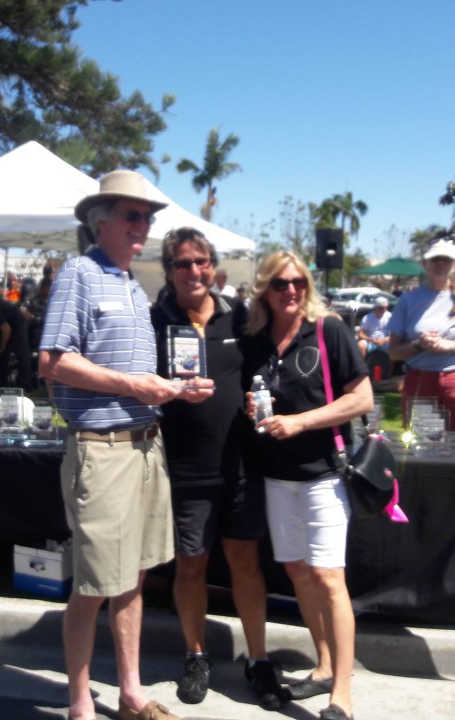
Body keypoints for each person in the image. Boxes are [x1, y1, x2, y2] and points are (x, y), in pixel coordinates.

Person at [38, 170, 213, 720]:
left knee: (133, 577)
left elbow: (129, 369)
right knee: (95, 585)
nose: (145, 226)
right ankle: (78, 704)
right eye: (134, 216)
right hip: (103, 447)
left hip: (144, 446)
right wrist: (136, 386)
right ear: (102, 221)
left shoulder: (133, 284)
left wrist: (175, 388)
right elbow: (54, 362)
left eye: (149, 218)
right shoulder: (80, 275)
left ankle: (131, 692)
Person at [149, 228, 286, 710]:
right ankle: (196, 655)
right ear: (169, 271)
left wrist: (259, 396)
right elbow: (140, 386)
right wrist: (164, 390)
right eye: (183, 264)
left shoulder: (242, 315)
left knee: (246, 561)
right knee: (191, 565)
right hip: (186, 467)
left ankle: (259, 658)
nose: (194, 272)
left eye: (202, 262)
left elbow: (265, 367)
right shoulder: (155, 321)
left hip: (240, 462)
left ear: (214, 266)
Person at [245, 250, 373, 720]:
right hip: (277, 477)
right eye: (280, 284)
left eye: (298, 282)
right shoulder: (257, 339)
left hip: (322, 475)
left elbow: (361, 398)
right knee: (298, 572)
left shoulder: (328, 330)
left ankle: (342, 694)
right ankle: (322, 664)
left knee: (328, 578)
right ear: (265, 289)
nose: (291, 290)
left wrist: (301, 423)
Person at [387, 238, 455, 431]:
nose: (441, 264)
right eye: (435, 259)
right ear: (425, 264)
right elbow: (393, 353)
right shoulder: (408, 300)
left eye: (446, 259)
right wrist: (419, 344)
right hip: (418, 382)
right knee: (417, 449)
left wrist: (450, 346)